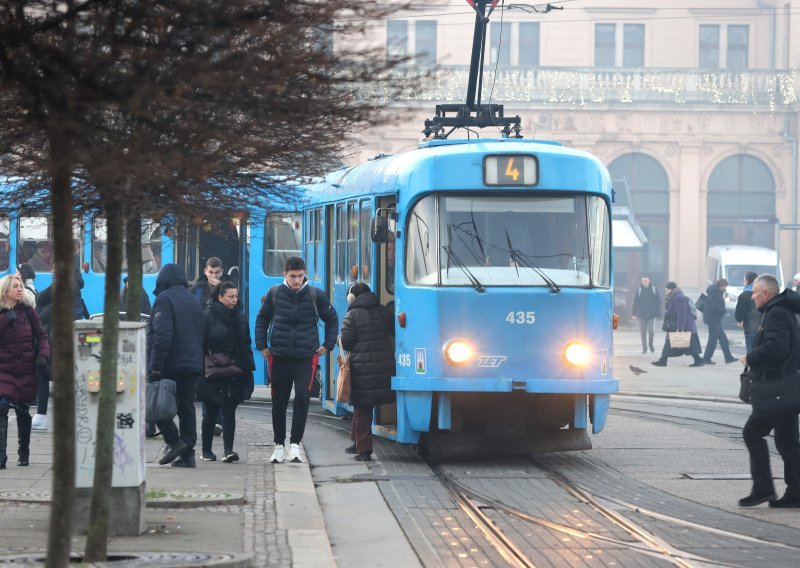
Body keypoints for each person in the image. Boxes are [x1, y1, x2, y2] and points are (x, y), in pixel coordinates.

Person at [255, 256, 338, 464]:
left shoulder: (315, 295)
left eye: (300, 276)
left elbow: (332, 319)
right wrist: (262, 345)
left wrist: (328, 345)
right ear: (285, 274)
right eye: (293, 276)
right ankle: (278, 445)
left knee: (302, 398)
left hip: (305, 357)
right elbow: (262, 319)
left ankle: (294, 445)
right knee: (279, 402)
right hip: (279, 356)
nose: (297, 280)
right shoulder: (274, 294)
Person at [738, 274, 800, 508]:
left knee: (752, 433)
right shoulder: (783, 310)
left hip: (777, 388)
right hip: (787, 387)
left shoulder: (776, 313)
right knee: (788, 441)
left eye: (755, 292)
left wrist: (750, 356)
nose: (752, 296)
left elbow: (777, 348)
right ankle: (796, 493)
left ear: (766, 293)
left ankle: (763, 488)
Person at [148, 264, 205, 468]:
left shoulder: (164, 299)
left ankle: (175, 441)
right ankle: (188, 454)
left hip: (171, 363)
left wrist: (155, 367)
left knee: (156, 405)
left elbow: (162, 336)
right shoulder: (193, 300)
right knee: (186, 407)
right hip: (193, 364)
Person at [198, 281, 255, 463]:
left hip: (234, 372)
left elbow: (246, 344)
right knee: (211, 414)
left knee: (229, 411)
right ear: (220, 297)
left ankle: (228, 450)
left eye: (236, 296)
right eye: (230, 296)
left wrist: (247, 369)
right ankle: (206, 450)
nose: (234, 300)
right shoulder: (207, 317)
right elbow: (201, 343)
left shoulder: (240, 317)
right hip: (213, 372)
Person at [339, 283, 395, 461]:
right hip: (384, 367)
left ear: (352, 298)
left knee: (362, 410)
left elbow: (346, 343)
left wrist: (340, 338)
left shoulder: (352, 314)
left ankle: (364, 451)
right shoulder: (384, 311)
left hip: (362, 369)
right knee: (362, 408)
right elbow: (394, 331)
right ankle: (356, 442)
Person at [0, 275, 50, 468]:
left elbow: (42, 335)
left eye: (20, 286)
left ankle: (24, 452)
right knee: (2, 408)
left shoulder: (28, 311)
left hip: (26, 370)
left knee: (22, 412)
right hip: (4, 370)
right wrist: (5, 319)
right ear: (5, 291)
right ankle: (1, 456)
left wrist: (43, 355)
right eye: (15, 286)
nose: (19, 289)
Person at [652, 281, 704, 367]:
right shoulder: (674, 297)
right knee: (671, 343)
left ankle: (698, 360)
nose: (666, 291)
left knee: (689, 345)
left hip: (684, 326)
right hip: (677, 325)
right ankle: (663, 360)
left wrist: (680, 329)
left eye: (667, 289)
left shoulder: (679, 298)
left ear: (671, 289)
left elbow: (681, 314)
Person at [701, 278, 736, 365]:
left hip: (713, 319)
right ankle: (706, 358)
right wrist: (724, 310)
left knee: (723, 339)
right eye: (724, 286)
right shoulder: (716, 294)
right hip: (714, 320)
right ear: (720, 286)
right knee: (713, 340)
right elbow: (715, 307)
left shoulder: (713, 292)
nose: (725, 288)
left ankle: (728, 357)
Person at [631, 275, 661, 354]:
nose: (644, 282)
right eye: (643, 281)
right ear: (641, 281)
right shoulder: (639, 290)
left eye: (646, 280)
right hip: (642, 315)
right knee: (643, 332)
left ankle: (650, 344)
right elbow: (635, 303)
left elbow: (658, 302)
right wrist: (634, 314)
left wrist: (658, 312)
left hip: (652, 314)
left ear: (649, 281)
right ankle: (644, 347)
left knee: (651, 331)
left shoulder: (654, 290)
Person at [735, 271, 761, 354]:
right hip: (763, 327)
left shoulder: (744, 295)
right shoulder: (762, 293)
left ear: (747, 281)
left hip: (750, 328)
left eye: (744, 280)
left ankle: (753, 365)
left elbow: (740, 311)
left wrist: (740, 320)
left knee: (751, 350)